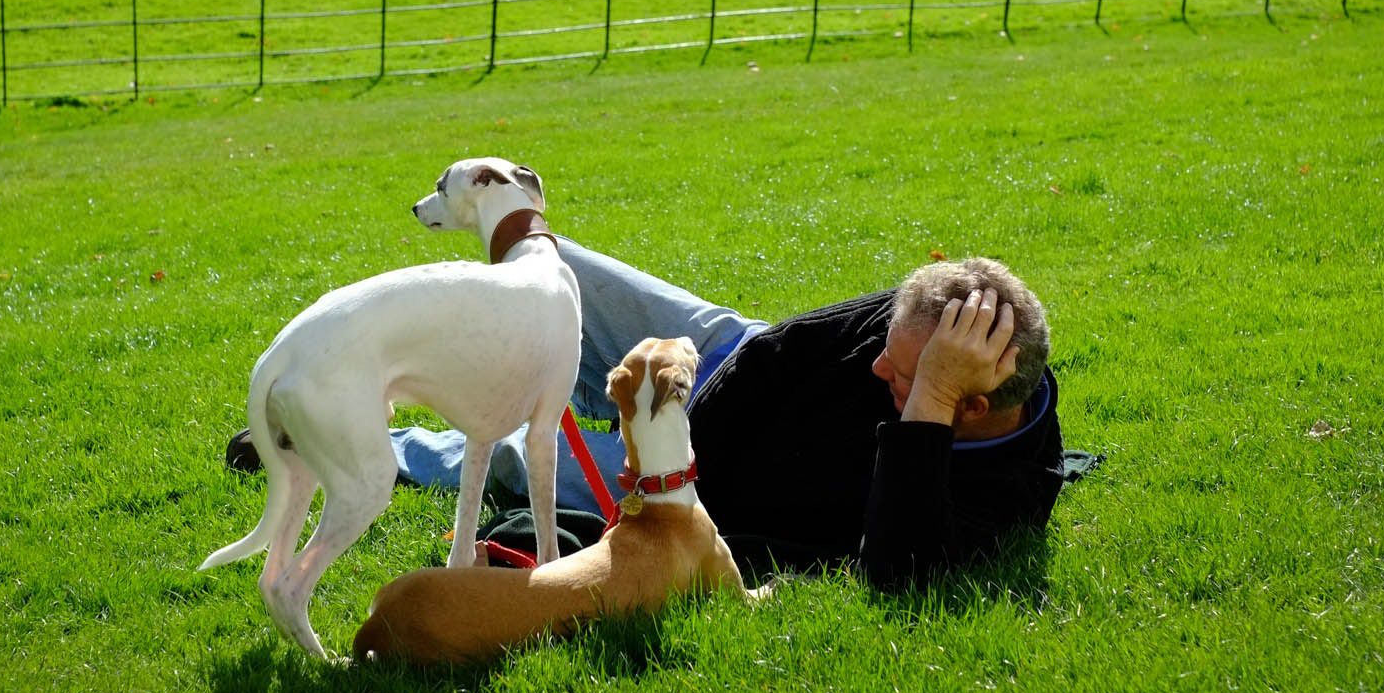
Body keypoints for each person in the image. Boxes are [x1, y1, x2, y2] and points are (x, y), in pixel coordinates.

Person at [228, 242, 1066, 587]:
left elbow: (900, 571)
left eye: (908, 373)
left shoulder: (1009, 490)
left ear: (971, 404)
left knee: (528, 459)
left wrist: (661, 477)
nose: (877, 363)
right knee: (552, 262)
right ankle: (378, 350)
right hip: (724, 365)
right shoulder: (928, 326)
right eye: (890, 343)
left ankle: (390, 439)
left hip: (692, 499)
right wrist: (674, 417)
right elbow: (781, 355)